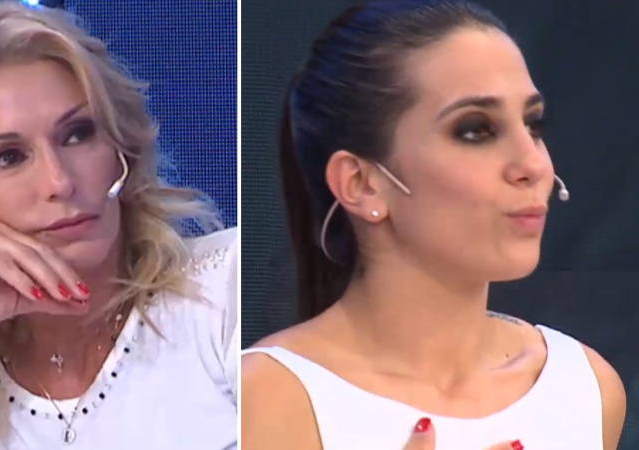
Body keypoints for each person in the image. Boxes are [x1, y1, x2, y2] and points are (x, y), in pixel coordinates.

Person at [0, 1, 237, 449]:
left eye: (78, 134)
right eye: (8, 157)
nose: (59, 182)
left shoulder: (223, 291)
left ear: (119, 151)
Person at [241, 1, 625, 449]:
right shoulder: (263, 402)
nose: (534, 166)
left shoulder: (587, 389)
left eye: (533, 125)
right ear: (362, 184)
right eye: (476, 130)